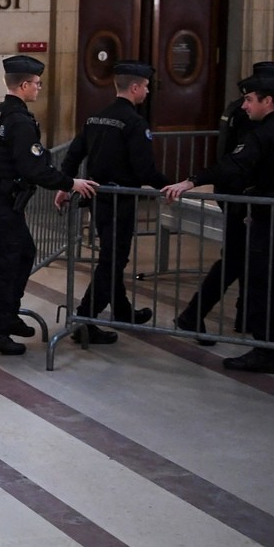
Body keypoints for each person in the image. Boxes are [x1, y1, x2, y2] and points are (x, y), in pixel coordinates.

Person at [162, 71, 274, 372]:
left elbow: (233, 166)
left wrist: (193, 180)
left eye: (248, 100)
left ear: (267, 100)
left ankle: (266, 350)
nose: (244, 106)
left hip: (269, 215)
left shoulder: (261, 135)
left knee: (263, 283)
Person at [0, 55, 98, 355]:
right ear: (23, 85)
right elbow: (33, 169)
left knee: (24, 253)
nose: (39, 89)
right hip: (5, 200)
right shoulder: (18, 120)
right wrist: (71, 183)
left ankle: (7, 317)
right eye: (36, 84)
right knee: (6, 265)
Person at [54, 61, 175, 341]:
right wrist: (169, 186)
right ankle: (85, 319)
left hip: (99, 199)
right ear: (134, 87)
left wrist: (63, 184)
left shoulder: (95, 117)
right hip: (121, 201)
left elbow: (74, 153)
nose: (147, 92)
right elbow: (145, 170)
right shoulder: (134, 123)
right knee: (113, 260)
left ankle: (121, 310)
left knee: (111, 255)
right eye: (145, 87)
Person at [174, 60, 274, 339]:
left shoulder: (239, 109)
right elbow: (238, 159)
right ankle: (197, 313)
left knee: (244, 259)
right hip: (243, 195)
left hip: (240, 193)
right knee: (236, 260)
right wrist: (195, 180)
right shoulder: (247, 115)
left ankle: (243, 315)